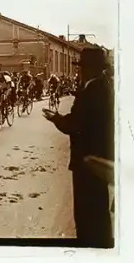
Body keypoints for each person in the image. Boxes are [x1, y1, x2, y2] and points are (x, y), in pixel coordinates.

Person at [43, 47, 114, 248]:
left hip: (88, 161)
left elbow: (75, 124)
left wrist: (56, 118)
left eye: (81, 67)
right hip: (98, 160)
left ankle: (90, 250)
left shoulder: (92, 91)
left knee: (86, 212)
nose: (79, 72)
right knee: (98, 210)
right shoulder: (102, 86)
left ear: (90, 69)